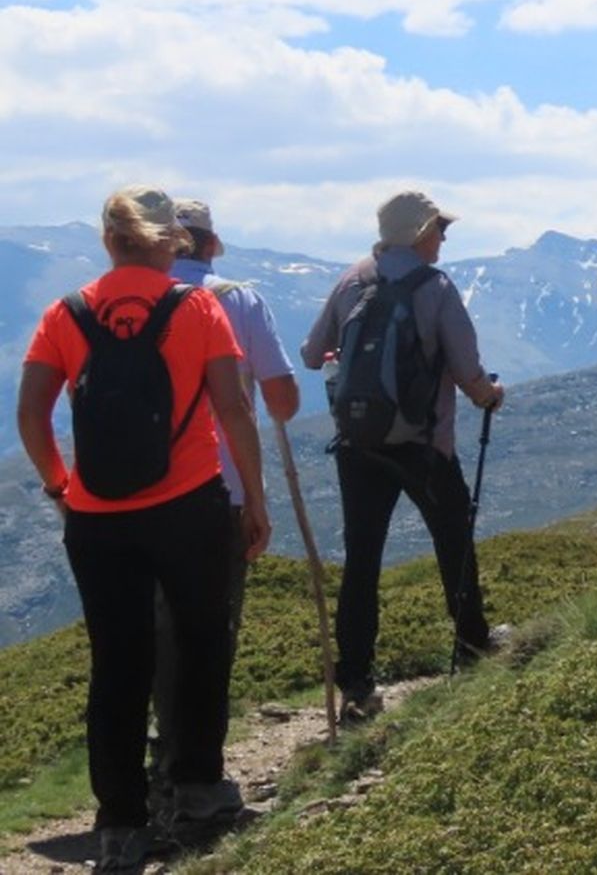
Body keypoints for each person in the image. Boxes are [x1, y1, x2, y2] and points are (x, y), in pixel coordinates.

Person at [15, 187, 271, 874]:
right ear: (169, 243)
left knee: (118, 665)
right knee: (200, 643)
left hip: (98, 520)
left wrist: (60, 487)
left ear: (109, 241)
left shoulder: (65, 313)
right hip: (186, 505)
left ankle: (120, 823)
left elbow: (32, 415)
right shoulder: (198, 308)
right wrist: (256, 501)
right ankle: (197, 789)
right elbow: (233, 410)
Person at [300, 190, 505, 724]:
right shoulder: (435, 287)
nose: (443, 238)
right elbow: (466, 370)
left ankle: (357, 680)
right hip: (423, 443)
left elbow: (309, 352)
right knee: (452, 537)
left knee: (363, 558)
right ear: (419, 233)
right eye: (439, 228)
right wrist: (489, 395)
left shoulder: (351, 280)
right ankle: (472, 643)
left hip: (358, 444)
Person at [146, 199, 301, 807]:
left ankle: (159, 760)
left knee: (154, 631)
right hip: (221, 490)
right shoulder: (237, 299)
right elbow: (283, 398)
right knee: (210, 633)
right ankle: (197, 781)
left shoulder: (121, 302)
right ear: (210, 245)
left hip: (134, 496)